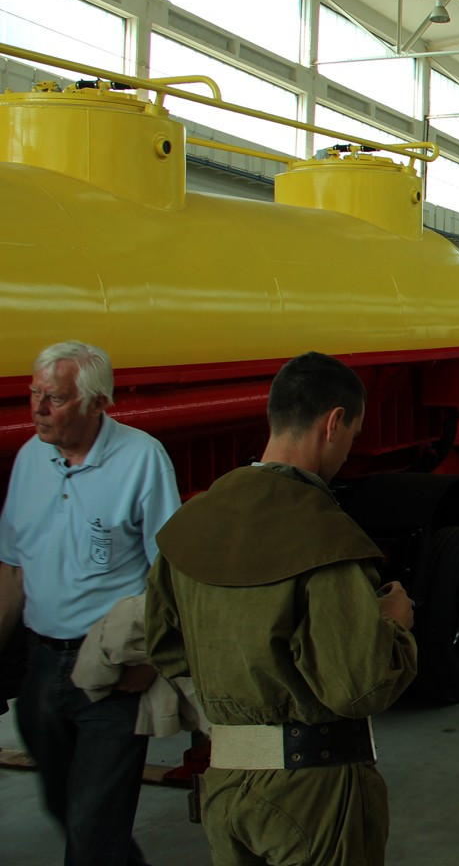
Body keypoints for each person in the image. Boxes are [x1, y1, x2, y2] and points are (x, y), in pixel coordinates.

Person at [145, 352, 417, 866]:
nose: (348, 452)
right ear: (333, 423)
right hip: (312, 794)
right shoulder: (325, 535)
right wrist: (394, 626)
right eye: (353, 435)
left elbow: (165, 646)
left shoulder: (190, 524)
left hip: (225, 787)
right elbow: (359, 685)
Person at [0, 340, 180, 866]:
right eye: (34, 394)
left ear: (98, 403)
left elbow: (170, 572)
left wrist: (150, 659)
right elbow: (12, 569)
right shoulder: (29, 459)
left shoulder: (141, 459)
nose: (38, 409)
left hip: (110, 670)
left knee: (93, 828)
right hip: (40, 666)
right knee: (69, 809)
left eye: (54, 398)